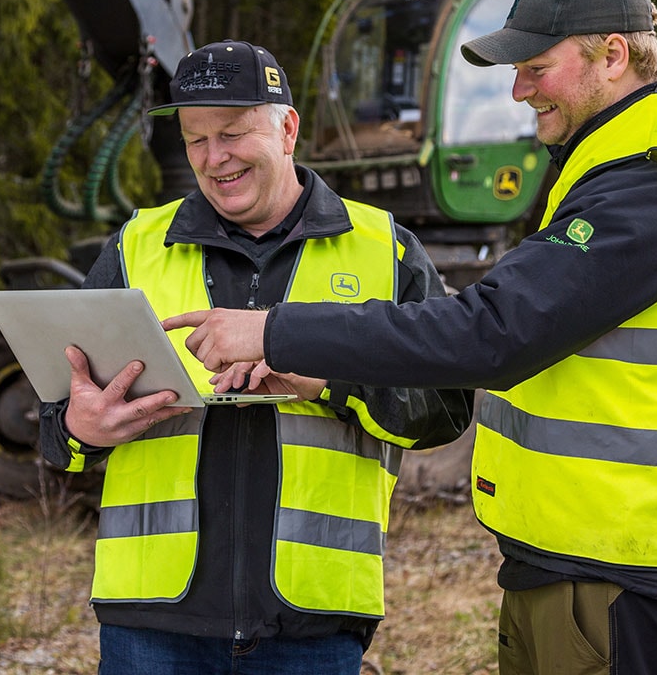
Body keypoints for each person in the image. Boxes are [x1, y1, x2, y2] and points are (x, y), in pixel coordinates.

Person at [163, 0, 657, 675]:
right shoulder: (606, 161)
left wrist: (273, 328)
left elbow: (493, 332)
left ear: (614, 53)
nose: (518, 90)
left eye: (537, 67)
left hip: (628, 562)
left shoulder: (650, 180)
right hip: (583, 555)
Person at [38, 39, 474, 674]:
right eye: (195, 140)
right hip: (151, 619)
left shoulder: (385, 251)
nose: (215, 159)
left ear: (288, 128)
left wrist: (326, 380)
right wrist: (81, 428)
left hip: (313, 618)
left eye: (234, 133)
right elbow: (56, 421)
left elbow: (444, 410)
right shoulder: (136, 249)